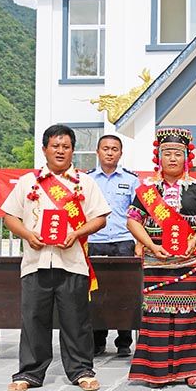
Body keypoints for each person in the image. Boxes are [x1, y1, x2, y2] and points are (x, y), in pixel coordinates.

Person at [2, 124, 110, 391]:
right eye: (55, 146)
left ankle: (82, 370)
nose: (60, 151)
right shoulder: (28, 181)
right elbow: (10, 216)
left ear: (73, 150)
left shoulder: (85, 182)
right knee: (33, 319)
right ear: (44, 149)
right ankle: (29, 373)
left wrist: (77, 233)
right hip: (35, 262)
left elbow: (100, 218)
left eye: (66, 146)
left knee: (76, 320)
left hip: (72, 262)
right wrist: (27, 235)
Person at [126, 127, 196, 388]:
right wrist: (150, 246)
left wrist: (194, 239)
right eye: (167, 153)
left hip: (188, 261)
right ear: (159, 157)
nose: (172, 158)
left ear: (186, 157)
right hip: (156, 259)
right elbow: (132, 221)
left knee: (189, 315)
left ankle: (192, 369)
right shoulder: (148, 190)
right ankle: (157, 371)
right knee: (156, 314)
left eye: (178, 153)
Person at [86, 135, 140, 357]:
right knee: (96, 293)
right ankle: (97, 341)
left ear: (120, 153)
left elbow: (139, 214)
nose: (110, 152)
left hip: (123, 241)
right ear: (97, 152)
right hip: (95, 241)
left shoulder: (132, 180)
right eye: (105, 148)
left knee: (125, 293)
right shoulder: (87, 179)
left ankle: (124, 341)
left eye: (114, 149)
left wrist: (139, 244)